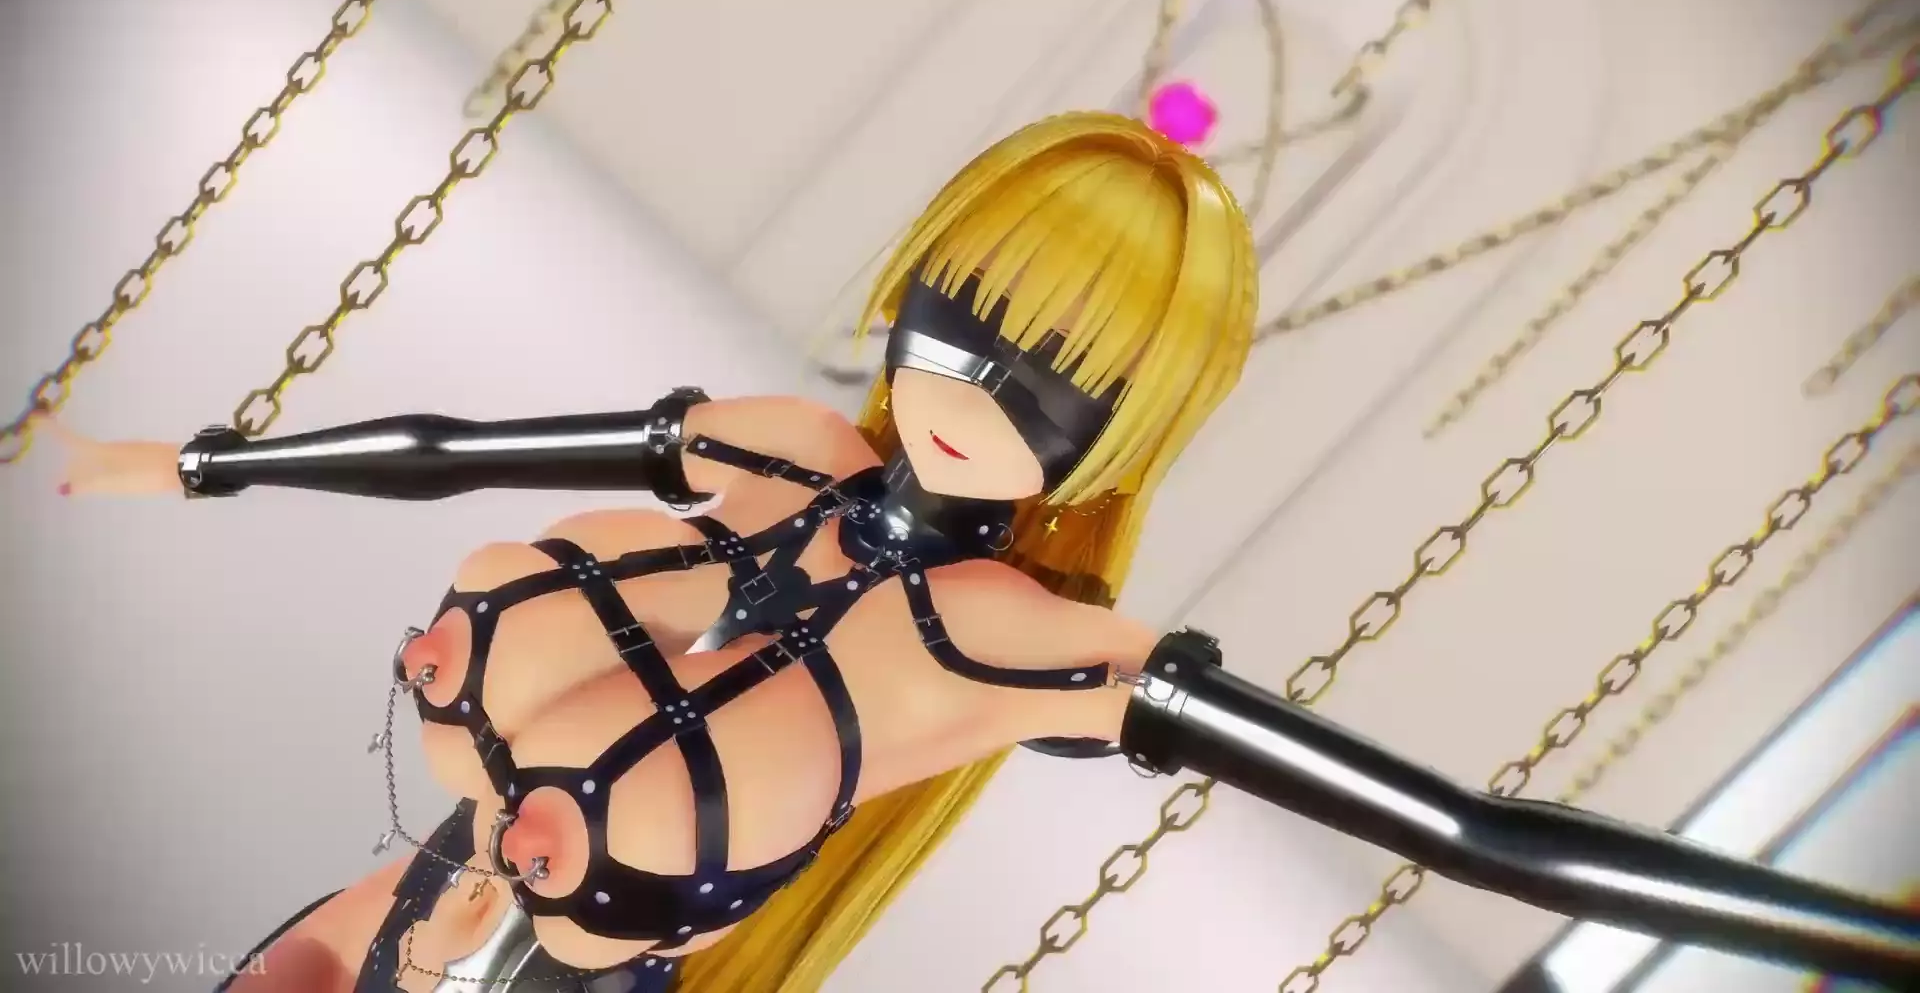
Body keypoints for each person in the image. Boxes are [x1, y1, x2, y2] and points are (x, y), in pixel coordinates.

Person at [44, 113, 1920, 993]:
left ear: (1122, 430)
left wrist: (1858, 932)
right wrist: (198, 464)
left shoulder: (1011, 638)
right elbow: (463, 450)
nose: (963, 388)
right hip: (375, 922)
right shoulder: (775, 451)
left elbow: (1464, 831)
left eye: (1046, 381)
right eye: (957, 320)